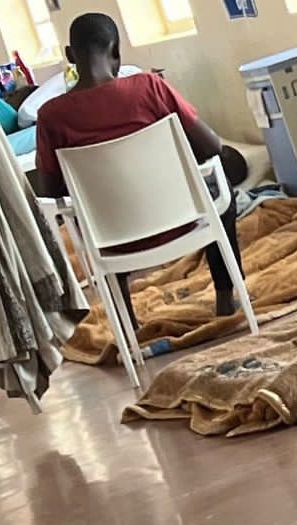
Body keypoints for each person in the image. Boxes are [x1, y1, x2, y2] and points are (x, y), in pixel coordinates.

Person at [37, 13, 243, 327]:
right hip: (182, 219)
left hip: (111, 241)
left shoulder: (51, 116)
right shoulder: (149, 86)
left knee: (91, 213)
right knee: (222, 183)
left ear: (69, 56)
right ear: (116, 51)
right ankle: (226, 297)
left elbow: (51, 191)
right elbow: (212, 147)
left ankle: (127, 322)